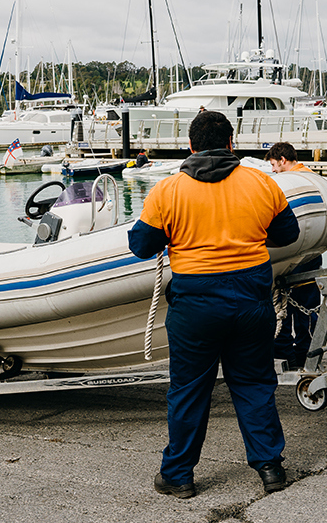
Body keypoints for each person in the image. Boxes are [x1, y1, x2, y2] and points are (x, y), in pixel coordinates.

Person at [128, 111, 300, 498]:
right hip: (251, 299)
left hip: (195, 303)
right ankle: (270, 466)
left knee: (189, 390)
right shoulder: (261, 182)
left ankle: (178, 475)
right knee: (254, 383)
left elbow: (141, 246)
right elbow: (288, 234)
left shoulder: (167, 191)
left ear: (190, 146)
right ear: (231, 143)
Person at [265, 142, 322, 368]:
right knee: (306, 305)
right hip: (312, 251)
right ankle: (305, 352)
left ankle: (285, 352)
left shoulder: (289, 184)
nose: (273, 170)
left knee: (284, 303)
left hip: (294, 254)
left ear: (282, 159)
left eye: (273, 164)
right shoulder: (312, 178)